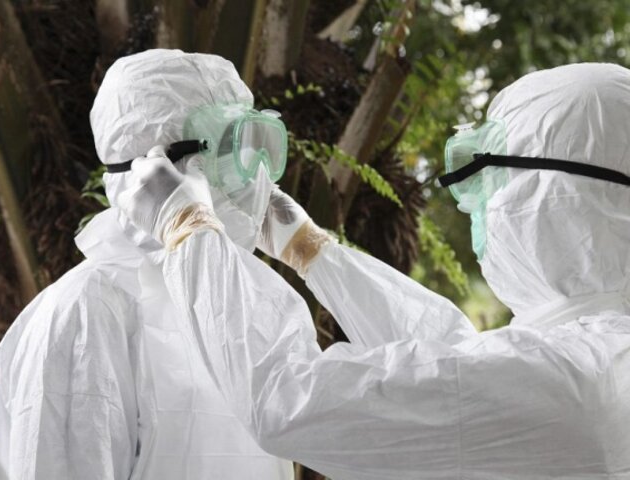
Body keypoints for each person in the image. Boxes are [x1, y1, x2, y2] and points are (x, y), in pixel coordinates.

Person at [117, 62, 630, 479]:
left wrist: (190, 233)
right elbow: (453, 354)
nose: (474, 204)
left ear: (564, 196)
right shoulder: (600, 355)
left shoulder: (574, 382)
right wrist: (313, 252)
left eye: (488, 179)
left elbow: (287, 399)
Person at [0, 49, 293, 479]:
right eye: (234, 151)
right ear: (158, 166)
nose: (257, 176)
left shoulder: (233, 312)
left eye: (260, 145)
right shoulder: (85, 313)